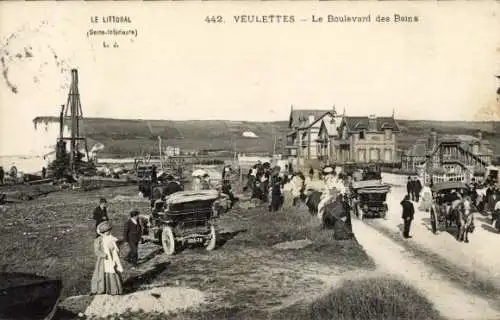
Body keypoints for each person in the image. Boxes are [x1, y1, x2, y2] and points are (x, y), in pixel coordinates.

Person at [91, 221, 124, 295]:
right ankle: (103, 289)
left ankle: (114, 289)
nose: (108, 233)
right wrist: (103, 255)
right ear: (102, 232)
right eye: (106, 231)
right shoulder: (98, 240)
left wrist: (116, 250)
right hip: (104, 260)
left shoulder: (111, 238)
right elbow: (97, 250)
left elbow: (116, 246)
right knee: (103, 273)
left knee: (114, 271)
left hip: (112, 258)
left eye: (109, 231)